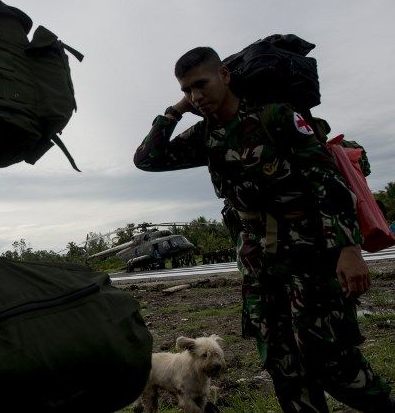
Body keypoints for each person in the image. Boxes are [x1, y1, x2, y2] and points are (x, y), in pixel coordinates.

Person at [133, 46, 394, 413]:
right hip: (258, 265)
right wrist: (175, 112)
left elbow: (329, 183)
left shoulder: (276, 118)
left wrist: (349, 249)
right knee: (282, 364)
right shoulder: (206, 137)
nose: (196, 96)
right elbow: (147, 159)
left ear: (225, 75)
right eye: (188, 90)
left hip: (310, 255)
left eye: (201, 84)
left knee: (331, 360)